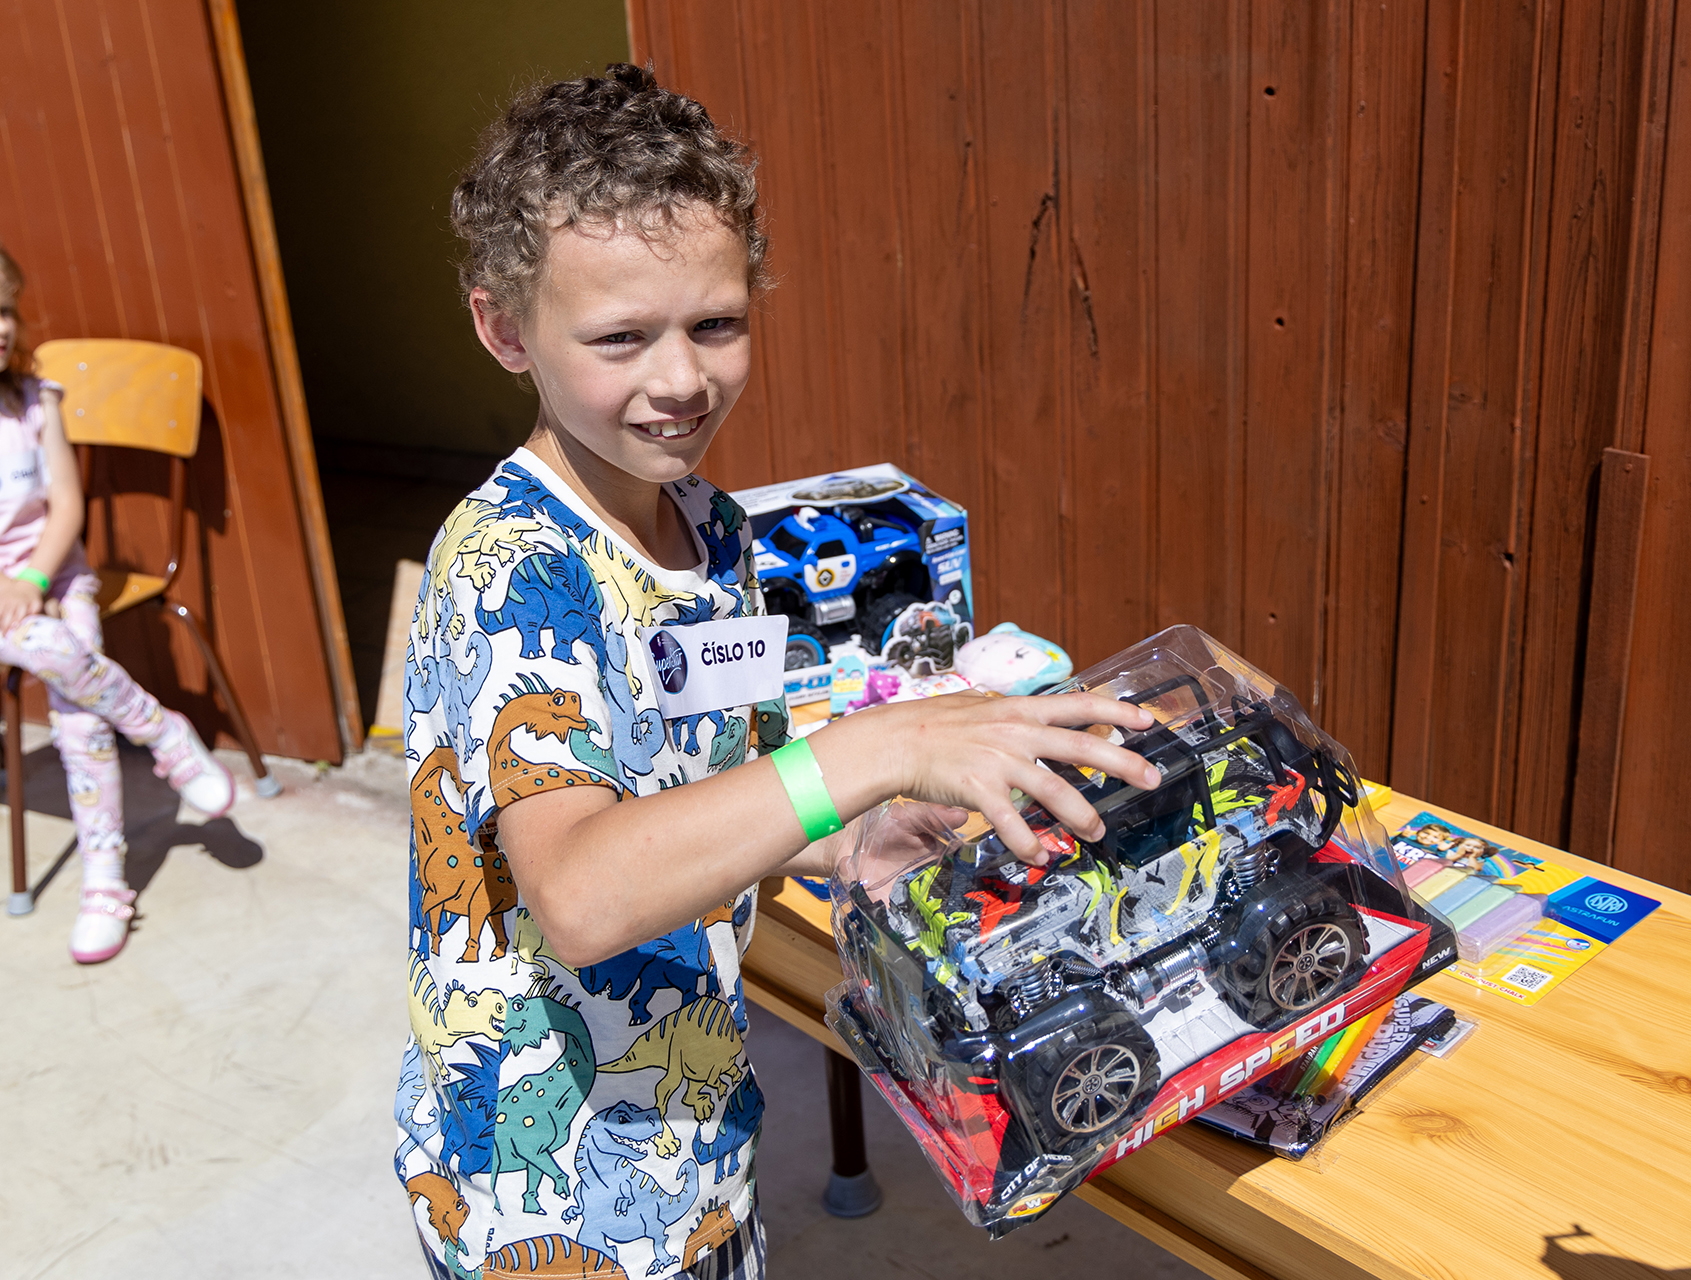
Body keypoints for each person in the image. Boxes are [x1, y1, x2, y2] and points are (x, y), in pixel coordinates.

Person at [396, 65, 1160, 1279]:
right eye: (620, 338)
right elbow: (581, 893)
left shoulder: (710, 526)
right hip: (554, 1210)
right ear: (503, 329)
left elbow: (718, 789)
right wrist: (873, 747)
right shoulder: (513, 572)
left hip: (695, 1154)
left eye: (715, 323)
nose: (679, 380)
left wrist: (857, 829)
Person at [0, 244, 236, 964]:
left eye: (5, 310)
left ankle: (104, 882)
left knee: (78, 714)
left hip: (54, 577)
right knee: (53, 652)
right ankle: (160, 728)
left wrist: (33, 582)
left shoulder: (34, 401)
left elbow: (67, 508)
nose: (2, 327)